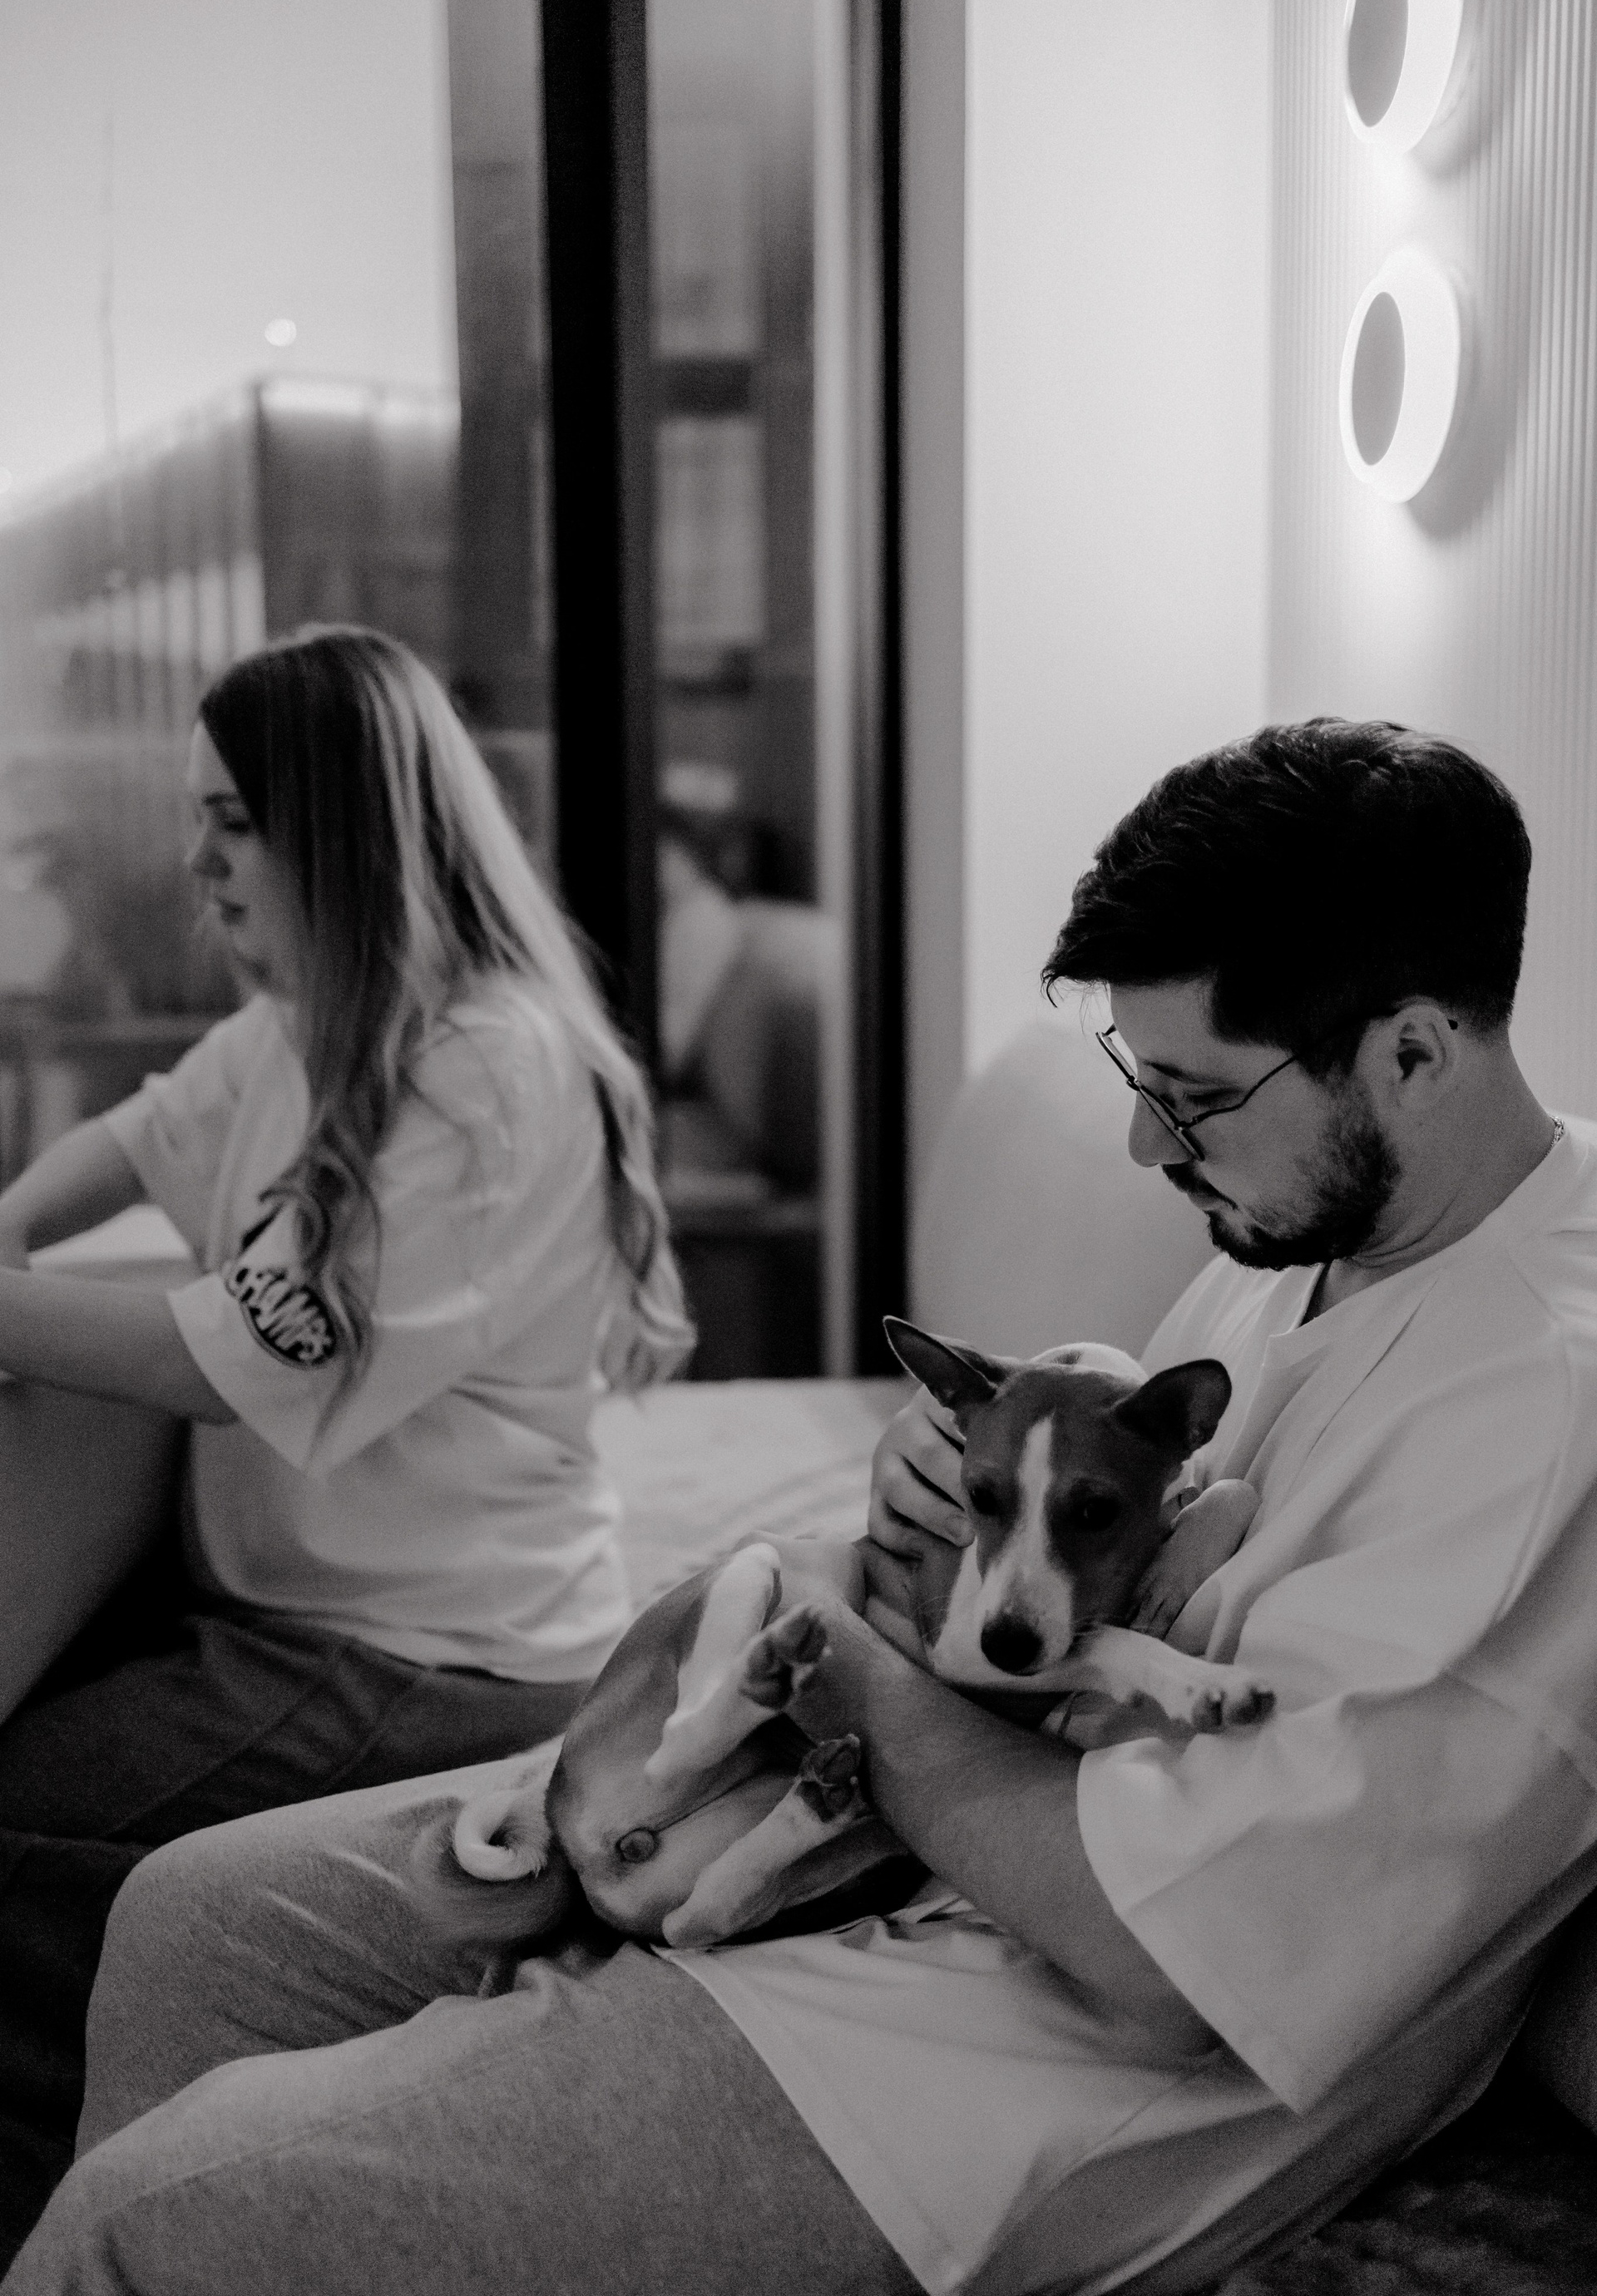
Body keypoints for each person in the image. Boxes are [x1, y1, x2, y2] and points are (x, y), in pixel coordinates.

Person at [9, 714, 1597, 2296]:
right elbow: (1098, 1566)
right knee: (191, 1924)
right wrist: (942, 1507)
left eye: (1187, 1096)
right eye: (1139, 1079)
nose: (1141, 1142)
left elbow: (1169, 1958)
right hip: (898, 1863)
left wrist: (837, 1642)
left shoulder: (1530, 1408)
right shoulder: (1333, 1226)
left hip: (979, 2074)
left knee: (140, 2226)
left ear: (1412, 1053)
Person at [0, 626, 691, 2266]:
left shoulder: (488, 1078)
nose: (197, 866)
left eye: (233, 821)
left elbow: (211, 1360)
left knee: (19, 1817)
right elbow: (131, 1140)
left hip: (432, 1650)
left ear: (345, 830)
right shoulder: (304, 1023)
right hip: (302, 1600)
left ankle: (72, 2219)